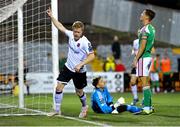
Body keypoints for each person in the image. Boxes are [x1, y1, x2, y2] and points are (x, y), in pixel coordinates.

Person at [46, 8, 95, 118]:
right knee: (58, 87)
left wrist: (81, 64)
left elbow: (92, 55)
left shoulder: (85, 42)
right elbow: (60, 26)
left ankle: (84, 106)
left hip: (80, 70)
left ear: (82, 32)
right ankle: (57, 110)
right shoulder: (71, 35)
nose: (76, 34)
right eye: (74, 31)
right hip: (69, 67)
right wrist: (52, 17)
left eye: (78, 32)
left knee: (79, 92)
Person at [132, 9, 156, 114]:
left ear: (146, 17)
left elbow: (142, 46)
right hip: (148, 56)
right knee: (146, 82)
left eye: (142, 13)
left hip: (143, 57)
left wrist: (136, 58)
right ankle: (149, 106)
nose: (141, 14)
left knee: (144, 83)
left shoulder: (145, 29)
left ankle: (146, 108)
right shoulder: (151, 28)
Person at [130, 39, 139, 105]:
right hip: (136, 63)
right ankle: (135, 98)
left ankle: (146, 99)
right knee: (132, 82)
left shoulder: (147, 40)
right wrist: (134, 61)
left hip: (143, 62)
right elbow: (134, 53)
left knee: (144, 82)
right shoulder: (135, 41)